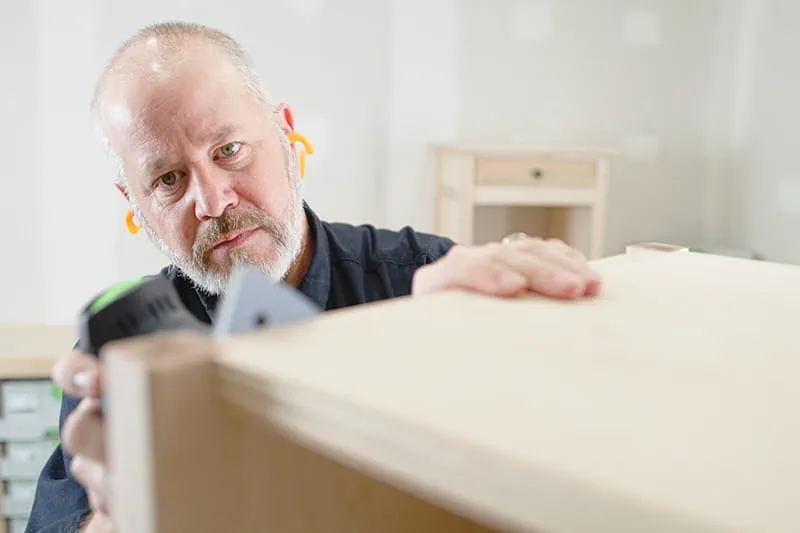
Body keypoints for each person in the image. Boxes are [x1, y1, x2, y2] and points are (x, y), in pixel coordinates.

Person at [25, 21, 602, 533]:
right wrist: (127, 511)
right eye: (169, 181)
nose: (213, 200)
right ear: (135, 203)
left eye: (228, 150)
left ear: (287, 137)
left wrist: (507, 332)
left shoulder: (423, 284)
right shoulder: (123, 355)